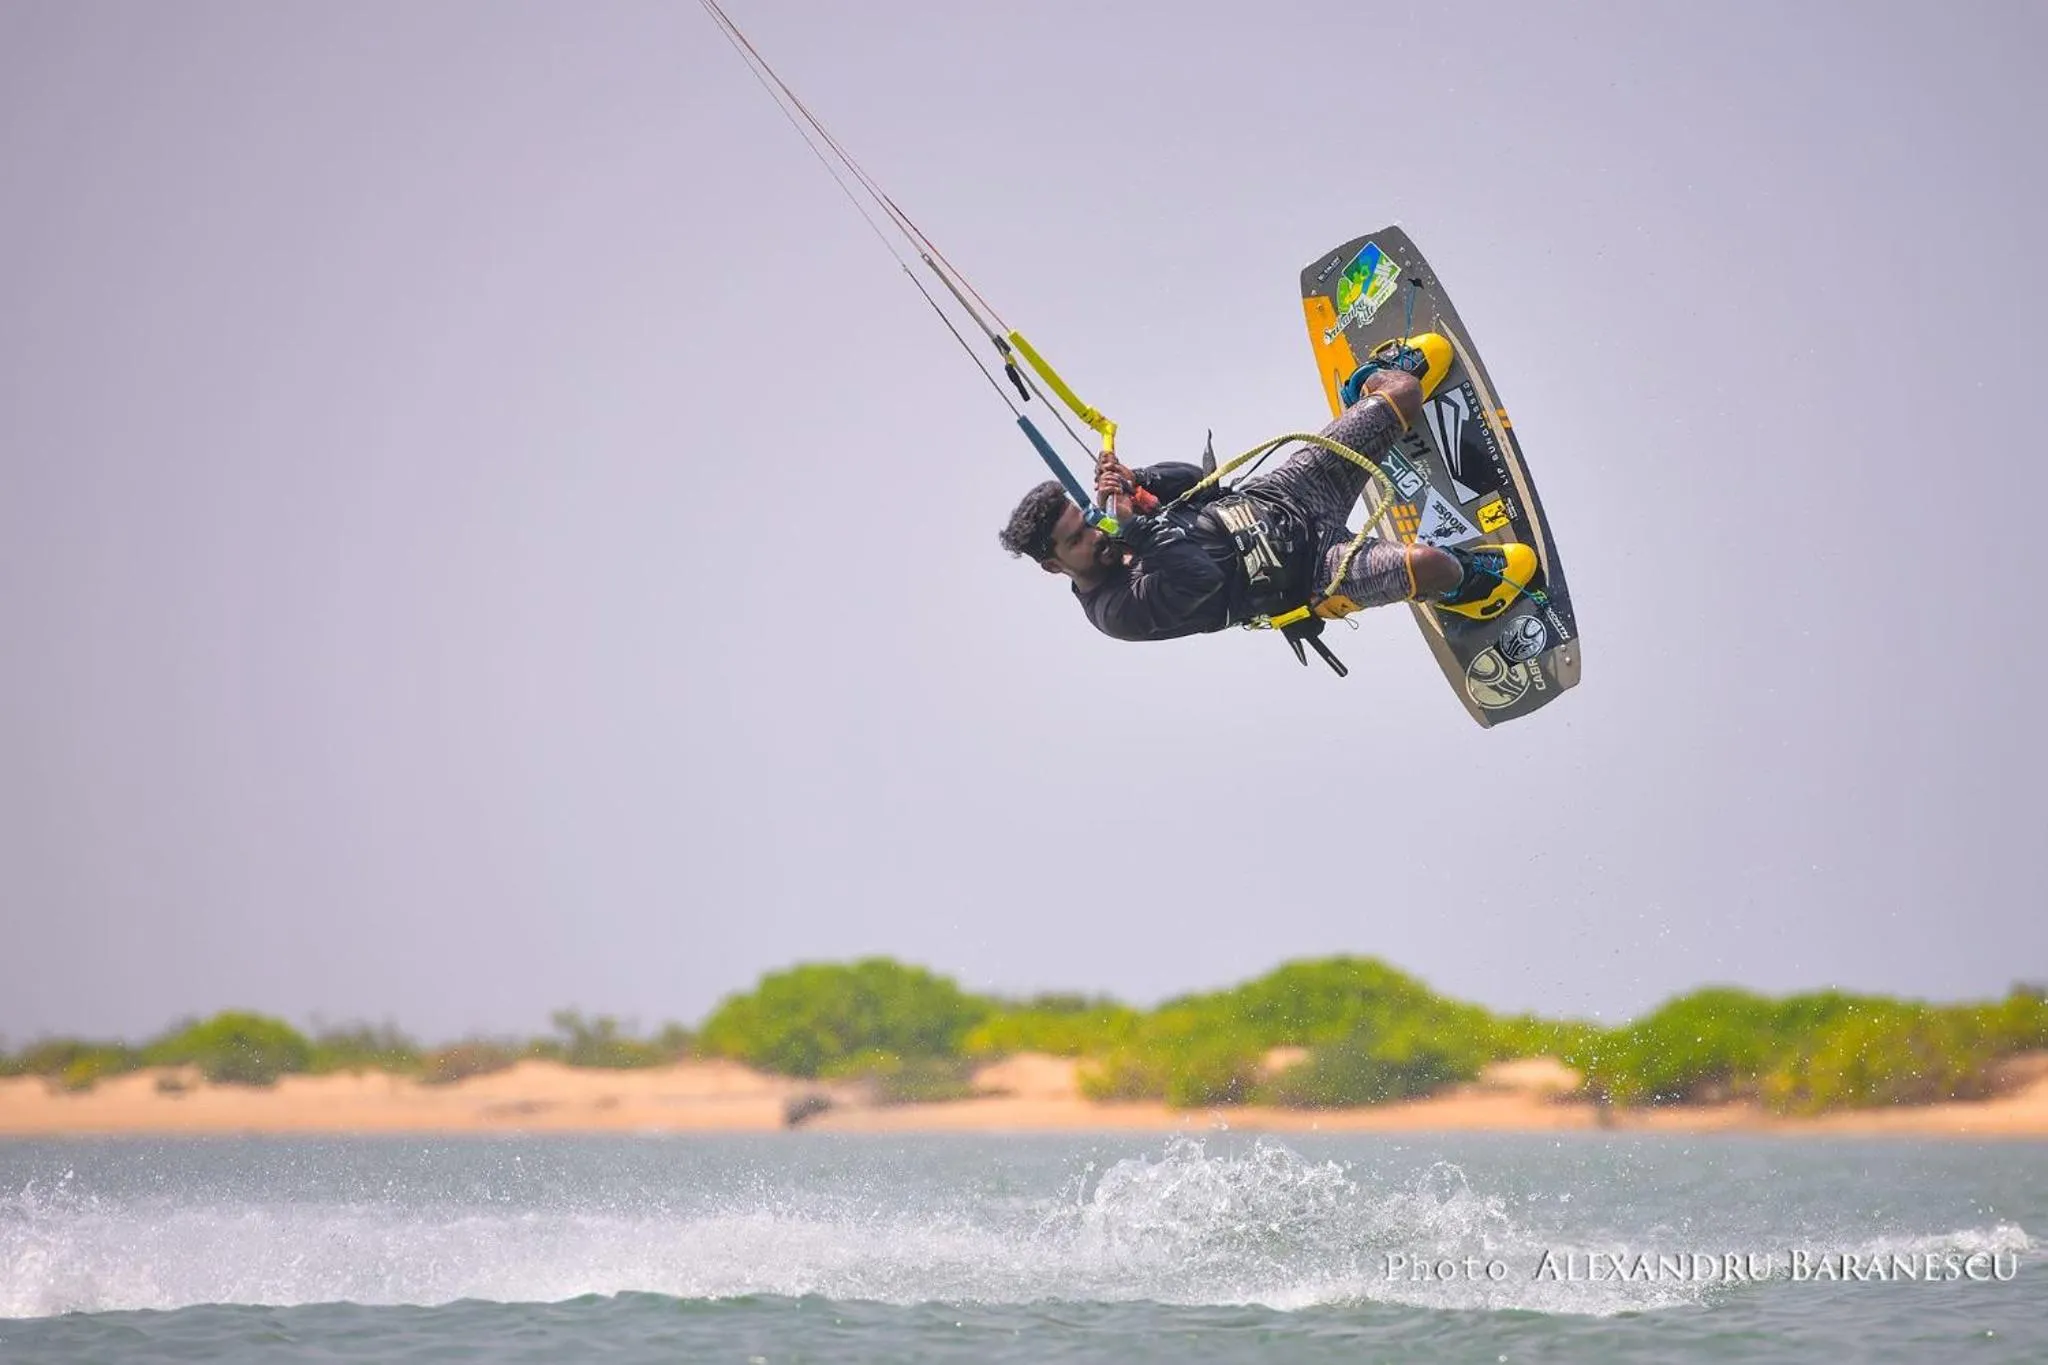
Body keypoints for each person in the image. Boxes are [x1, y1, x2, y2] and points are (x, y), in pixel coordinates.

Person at [996, 334, 1537, 649]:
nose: (1095, 533)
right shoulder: (1116, 611)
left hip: (1285, 493)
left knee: (1404, 390)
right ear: (1054, 566)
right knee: (1434, 566)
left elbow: (1200, 485)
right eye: (1077, 540)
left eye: (1085, 521)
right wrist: (1138, 527)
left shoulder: (1116, 525)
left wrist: (1141, 481)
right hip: (1313, 576)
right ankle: (1467, 591)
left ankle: (1365, 387)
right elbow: (1201, 577)